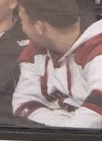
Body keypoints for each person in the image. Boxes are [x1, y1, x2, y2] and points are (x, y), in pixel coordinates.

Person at [12, 0, 102, 128]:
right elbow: (23, 105)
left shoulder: (97, 48)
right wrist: (63, 125)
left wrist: (60, 129)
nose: (22, 28)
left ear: (39, 27)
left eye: (22, 21)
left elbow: (96, 117)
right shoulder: (35, 50)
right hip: (56, 139)